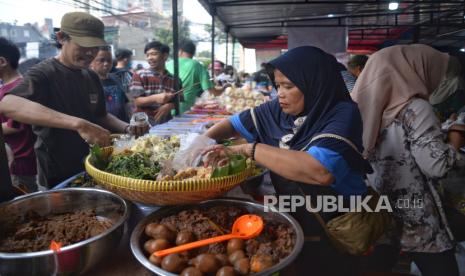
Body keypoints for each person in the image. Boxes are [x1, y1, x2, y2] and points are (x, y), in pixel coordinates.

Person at [200, 46, 372, 275]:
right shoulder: (281, 109)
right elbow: (234, 124)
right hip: (296, 217)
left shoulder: (343, 114)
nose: (279, 93)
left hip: (336, 222)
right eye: (277, 85)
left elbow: (319, 171)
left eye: (288, 86)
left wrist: (250, 149)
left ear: (314, 84)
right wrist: (199, 146)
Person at [0, 12, 148, 188]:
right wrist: (79, 124)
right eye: (83, 46)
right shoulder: (43, 73)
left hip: (92, 164)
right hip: (58, 171)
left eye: (94, 47)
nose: (90, 53)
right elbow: (8, 105)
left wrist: (127, 128)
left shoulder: (90, 76)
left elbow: (101, 115)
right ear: (62, 38)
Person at [351, 44, 464, 276]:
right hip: (418, 219)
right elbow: (437, 166)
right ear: (415, 70)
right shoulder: (416, 109)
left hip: (380, 211)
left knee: (378, 263)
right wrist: (455, 138)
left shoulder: (362, 107)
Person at [0, 37, 37, 192]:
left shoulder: (16, 89)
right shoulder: (12, 87)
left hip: (20, 163)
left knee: (25, 206)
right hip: (17, 161)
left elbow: (15, 126)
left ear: (2, 61)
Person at [129, 41, 179, 125]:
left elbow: (178, 100)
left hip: (165, 123)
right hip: (142, 124)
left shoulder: (174, 79)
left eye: (154, 54)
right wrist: (155, 98)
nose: (149, 58)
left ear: (165, 56)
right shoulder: (139, 75)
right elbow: (137, 101)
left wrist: (169, 106)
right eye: (147, 55)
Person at [166, 39, 219, 114]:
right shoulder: (197, 65)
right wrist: (224, 90)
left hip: (166, 110)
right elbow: (211, 92)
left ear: (180, 51)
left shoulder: (168, 64)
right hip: (185, 111)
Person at [90, 46, 129, 122]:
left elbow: (125, 103)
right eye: (101, 60)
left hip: (123, 127)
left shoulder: (117, 78)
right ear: (91, 61)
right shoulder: (88, 81)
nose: (106, 63)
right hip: (101, 129)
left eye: (109, 60)